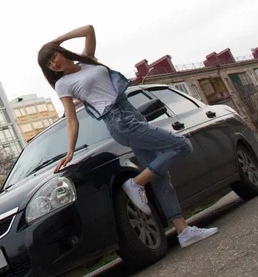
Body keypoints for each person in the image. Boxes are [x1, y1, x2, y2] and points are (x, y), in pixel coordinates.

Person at [37, 25, 218, 248]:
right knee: (181, 145)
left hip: (130, 111)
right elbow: (72, 120)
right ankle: (136, 183)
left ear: (60, 52)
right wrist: (70, 151)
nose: (53, 63)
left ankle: (184, 232)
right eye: (48, 64)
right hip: (117, 120)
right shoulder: (63, 84)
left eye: (53, 56)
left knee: (161, 177)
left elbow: (90, 30)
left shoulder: (86, 61)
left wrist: (59, 39)